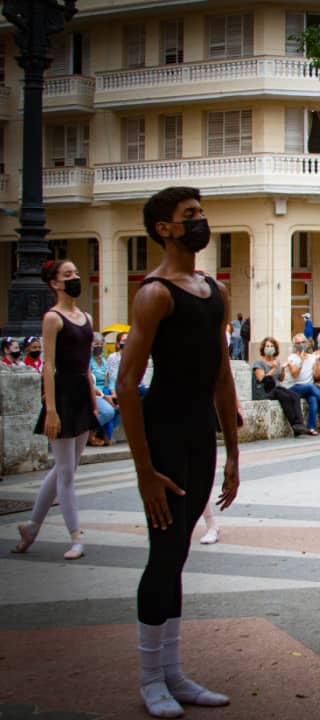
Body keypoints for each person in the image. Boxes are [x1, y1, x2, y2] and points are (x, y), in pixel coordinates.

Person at [115, 186, 238, 717]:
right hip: (164, 431)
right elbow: (125, 384)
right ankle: (150, 679)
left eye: (200, 214)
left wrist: (233, 453)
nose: (200, 222)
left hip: (198, 433)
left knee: (180, 553)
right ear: (164, 228)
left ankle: (173, 672)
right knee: (164, 554)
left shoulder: (213, 290)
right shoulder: (154, 294)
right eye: (189, 216)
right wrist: (144, 470)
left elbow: (222, 374)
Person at [12, 259, 98, 560]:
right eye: (68, 274)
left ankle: (32, 528)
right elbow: (48, 365)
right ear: (54, 283)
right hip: (61, 393)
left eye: (76, 272)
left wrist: (93, 401)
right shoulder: (52, 317)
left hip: (80, 394)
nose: (75, 277)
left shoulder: (86, 316)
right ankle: (76, 537)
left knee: (67, 469)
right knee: (65, 472)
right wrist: (50, 409)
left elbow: (87, 366)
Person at [251, 337, 308, 436]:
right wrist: (273, 368)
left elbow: (281, 379)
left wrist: (281, 370)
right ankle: (294, 424)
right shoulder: (259, 363)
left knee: (294, 395)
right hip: (265, 390)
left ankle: (300, 424)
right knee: (284, 396)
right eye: (267, 346)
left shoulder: (277, 361)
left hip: (277, 387)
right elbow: (262, 379)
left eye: (272, 346)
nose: (269, 348)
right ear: (263, 348)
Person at [281, 333, 320, 435]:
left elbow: (317, 370)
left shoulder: (312, 357)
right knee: (311, 387)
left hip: (308, 388)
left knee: (313, 400)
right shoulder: (292, 358)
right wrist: (300, 361)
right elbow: (295, 374)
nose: (301, 344)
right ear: (295, 345)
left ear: (307, 343)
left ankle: (311, 427)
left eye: (303, 342)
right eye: (298, 343)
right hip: (294, 387)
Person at [89, 332, 119, 447]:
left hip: (106, 391)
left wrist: (113, 393)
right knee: (108, 411)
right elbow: (90, 382)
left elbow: (110, 379)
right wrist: (104, 396)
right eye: (96, 344)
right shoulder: (88, 361)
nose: (99, 347)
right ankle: (89, 433)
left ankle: (105, 434)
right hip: (95, 393)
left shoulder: (104, 361)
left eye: (101, 344)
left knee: (122, 407)